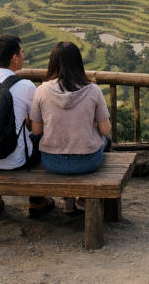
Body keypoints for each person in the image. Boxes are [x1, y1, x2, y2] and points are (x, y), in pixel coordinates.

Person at [0, 33, 53, 218]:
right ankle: (37, 201)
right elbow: (37, 123)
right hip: (13, 161)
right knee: (36, 139)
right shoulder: (26, 86)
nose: (23, 56)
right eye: (21, 52)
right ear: (14, 58)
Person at [29, 41, 111, 214]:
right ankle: (81, 198)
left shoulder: (41, 91)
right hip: (87, 162)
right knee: (106, 141)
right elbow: (106, 130)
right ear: (78, 63)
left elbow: (36, 131)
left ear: (52, 63)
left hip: (51, 162)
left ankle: (67, 201)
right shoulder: (93, 90)